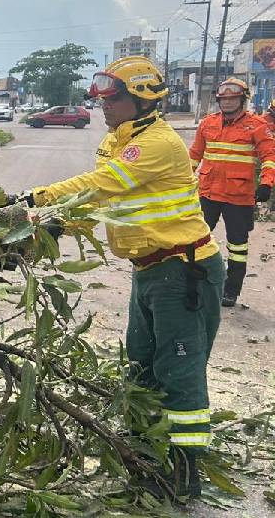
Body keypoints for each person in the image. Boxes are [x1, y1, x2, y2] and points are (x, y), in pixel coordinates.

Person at [24, 56, 223, 500]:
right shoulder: (116, 140)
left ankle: (183, 473)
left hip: (183, 271)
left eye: (112, 99)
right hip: (149, 271)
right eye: (101, 99)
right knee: (140, 364)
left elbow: (101, 185)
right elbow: (98, 202)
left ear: (143, 99)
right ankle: (142, 456)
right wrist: (55, 226)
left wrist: (36, 198)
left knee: (179, 370)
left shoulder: (158, 143)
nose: (104, 106)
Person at [188, 78, 275, 307]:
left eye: (232, 98)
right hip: (208, 193)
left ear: (242, 99)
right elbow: (194, 156)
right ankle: (194, 283)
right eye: (223, 99)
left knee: (237, 246)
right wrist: (182, 181)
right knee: (196, 239)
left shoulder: (257, 125)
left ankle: (231, 290)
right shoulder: (207, 123)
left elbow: (269, 157)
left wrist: (266, 183)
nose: (227, 102)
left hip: (239, 197)